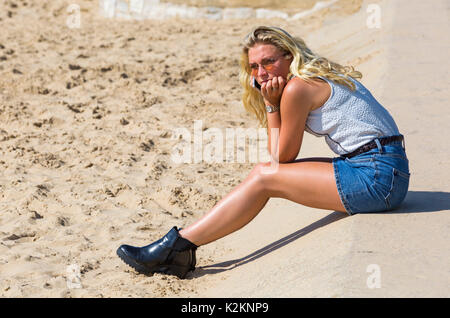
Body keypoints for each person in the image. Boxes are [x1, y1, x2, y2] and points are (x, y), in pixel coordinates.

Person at [116, 26, 410, 279]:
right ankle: (179, 247)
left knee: (264, 177)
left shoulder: (298, 88)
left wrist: (271, 106)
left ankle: (177, 248)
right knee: (263, 174)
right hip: (383, 168)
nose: (261, 73)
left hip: (377, 177)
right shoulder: (316, 75)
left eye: (268, 62)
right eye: (254, 67)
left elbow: (281, 158)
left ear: (290, 57)